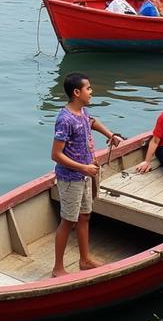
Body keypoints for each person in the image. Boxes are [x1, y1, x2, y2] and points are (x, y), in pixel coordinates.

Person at [51, 72, 123, 276]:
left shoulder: (81, 111)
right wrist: (83, 168)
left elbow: (91, 122)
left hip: (84, 175)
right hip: (70, 178)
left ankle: (85, 260)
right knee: (68, 221)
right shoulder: (64, 119)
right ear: (76, 92)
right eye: (88, 88)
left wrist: (110, 134)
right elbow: (56, 155)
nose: (91, 92)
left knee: (84, 216)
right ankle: (58, 268)